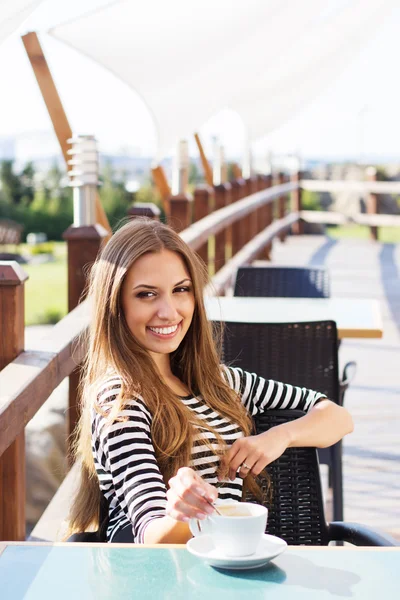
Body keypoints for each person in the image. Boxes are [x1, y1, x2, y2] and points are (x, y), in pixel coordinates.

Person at [67, 218, 353, 544]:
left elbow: (338, 417)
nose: (169, 311)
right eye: (146, 295)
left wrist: (280, 436)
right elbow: (150, 535)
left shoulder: (220, 382)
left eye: (181, 290)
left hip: (232, 564)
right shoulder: (120, 401)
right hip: (157, 580)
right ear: (115, 304)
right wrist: (180, 512)